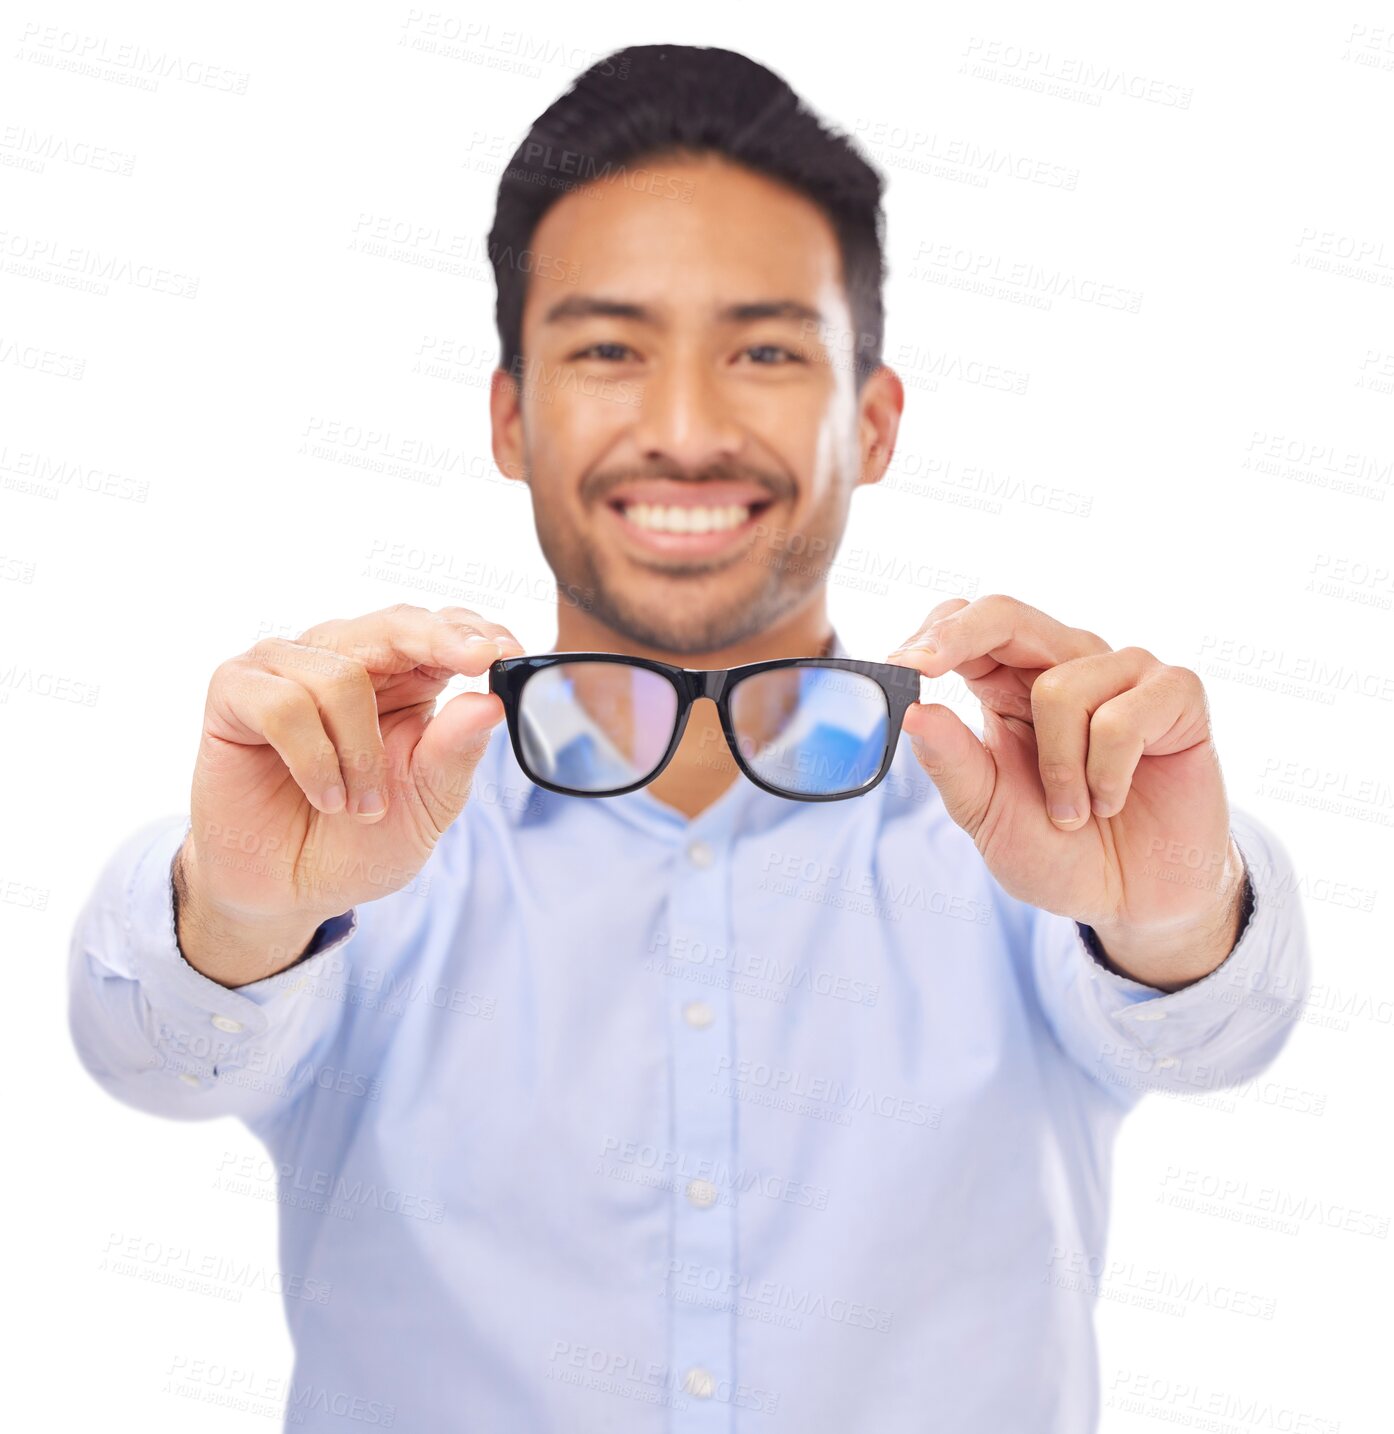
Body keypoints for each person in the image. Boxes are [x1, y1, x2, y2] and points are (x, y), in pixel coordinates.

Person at [68, 43, 1311, 1433]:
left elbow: (1220, 1032)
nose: (684, 426)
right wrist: (234, 912)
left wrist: (1183, 910)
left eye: (767, 351)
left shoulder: (1027, 826)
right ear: (509, 417)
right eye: (607, 348)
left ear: (875, 419)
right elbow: (147, 1050)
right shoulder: (347, 829)